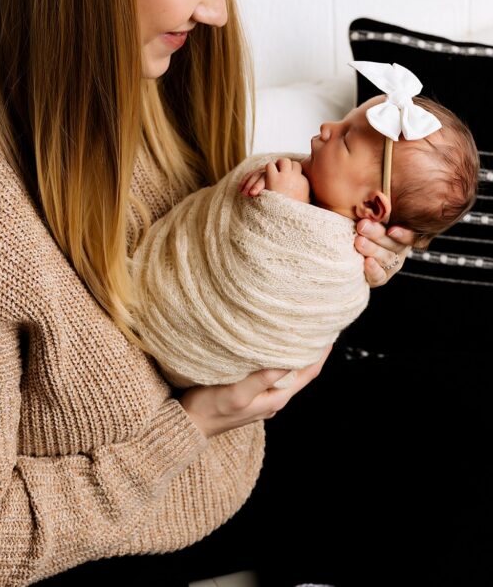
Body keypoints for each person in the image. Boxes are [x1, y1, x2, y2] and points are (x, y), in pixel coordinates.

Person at [0, 0, 415, 585]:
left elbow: (227, 275)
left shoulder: (162, 84)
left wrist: (334, 259)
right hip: (103, 545)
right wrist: (196, 422)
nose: (215, 11)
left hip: (242, 473)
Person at [130, 88, 478, 389]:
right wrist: (266, 182)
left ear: (372, 206)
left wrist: (282, 211)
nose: (327, 127)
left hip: (197, 347)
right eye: (342, 121)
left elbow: (273, 290)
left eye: (345, 138)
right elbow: (226, 213)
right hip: (163, 295)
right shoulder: (306, 179)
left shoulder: (341, 262)